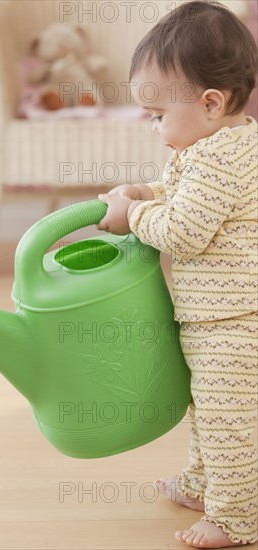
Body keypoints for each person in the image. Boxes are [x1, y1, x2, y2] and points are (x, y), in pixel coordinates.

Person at [96, 1, 258, 547]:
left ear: (210, 103)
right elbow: (188, 199)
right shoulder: (223, 145)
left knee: (226, 420)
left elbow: (186, 230)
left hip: (234, 323)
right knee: (205, 405)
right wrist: (151, 193)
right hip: (216, 317)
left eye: (158, 115)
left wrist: (131, 216)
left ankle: (236, 518)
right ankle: (202, 480)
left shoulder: (217, 158)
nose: (155, 127)